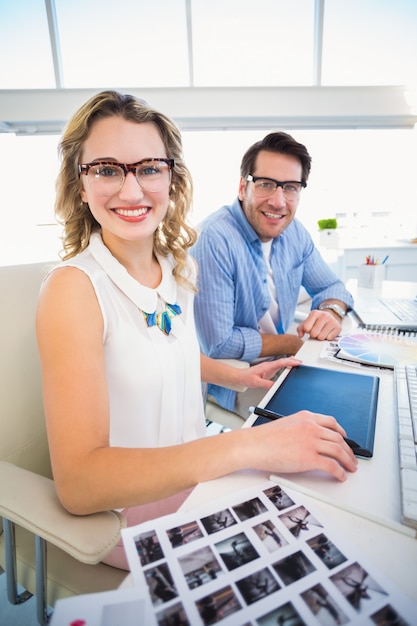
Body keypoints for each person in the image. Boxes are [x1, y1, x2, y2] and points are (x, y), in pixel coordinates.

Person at [36, 92, 357, 570]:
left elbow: (166, 349)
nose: (131, 190)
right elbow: (81, 485)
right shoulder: (74, 290)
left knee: (342, 520)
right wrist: (245, 445)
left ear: (170, 178)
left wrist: (238, 377)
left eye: (148, 168)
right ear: (79, 186)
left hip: (202, 481)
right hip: (135, 518)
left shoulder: (173, 266)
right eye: (106, 169)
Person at [191, 132, 354, 417]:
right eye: (266, 184)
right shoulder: (213, 238)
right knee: (322, 419)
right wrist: (294, 343)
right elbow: (219, 344)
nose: (279, 202)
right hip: (237, 377)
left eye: (290, 187)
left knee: (352, 397)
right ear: (243, 187)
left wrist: (331, 312)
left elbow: (333, 286)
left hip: (286, 361)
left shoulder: (294, 232)